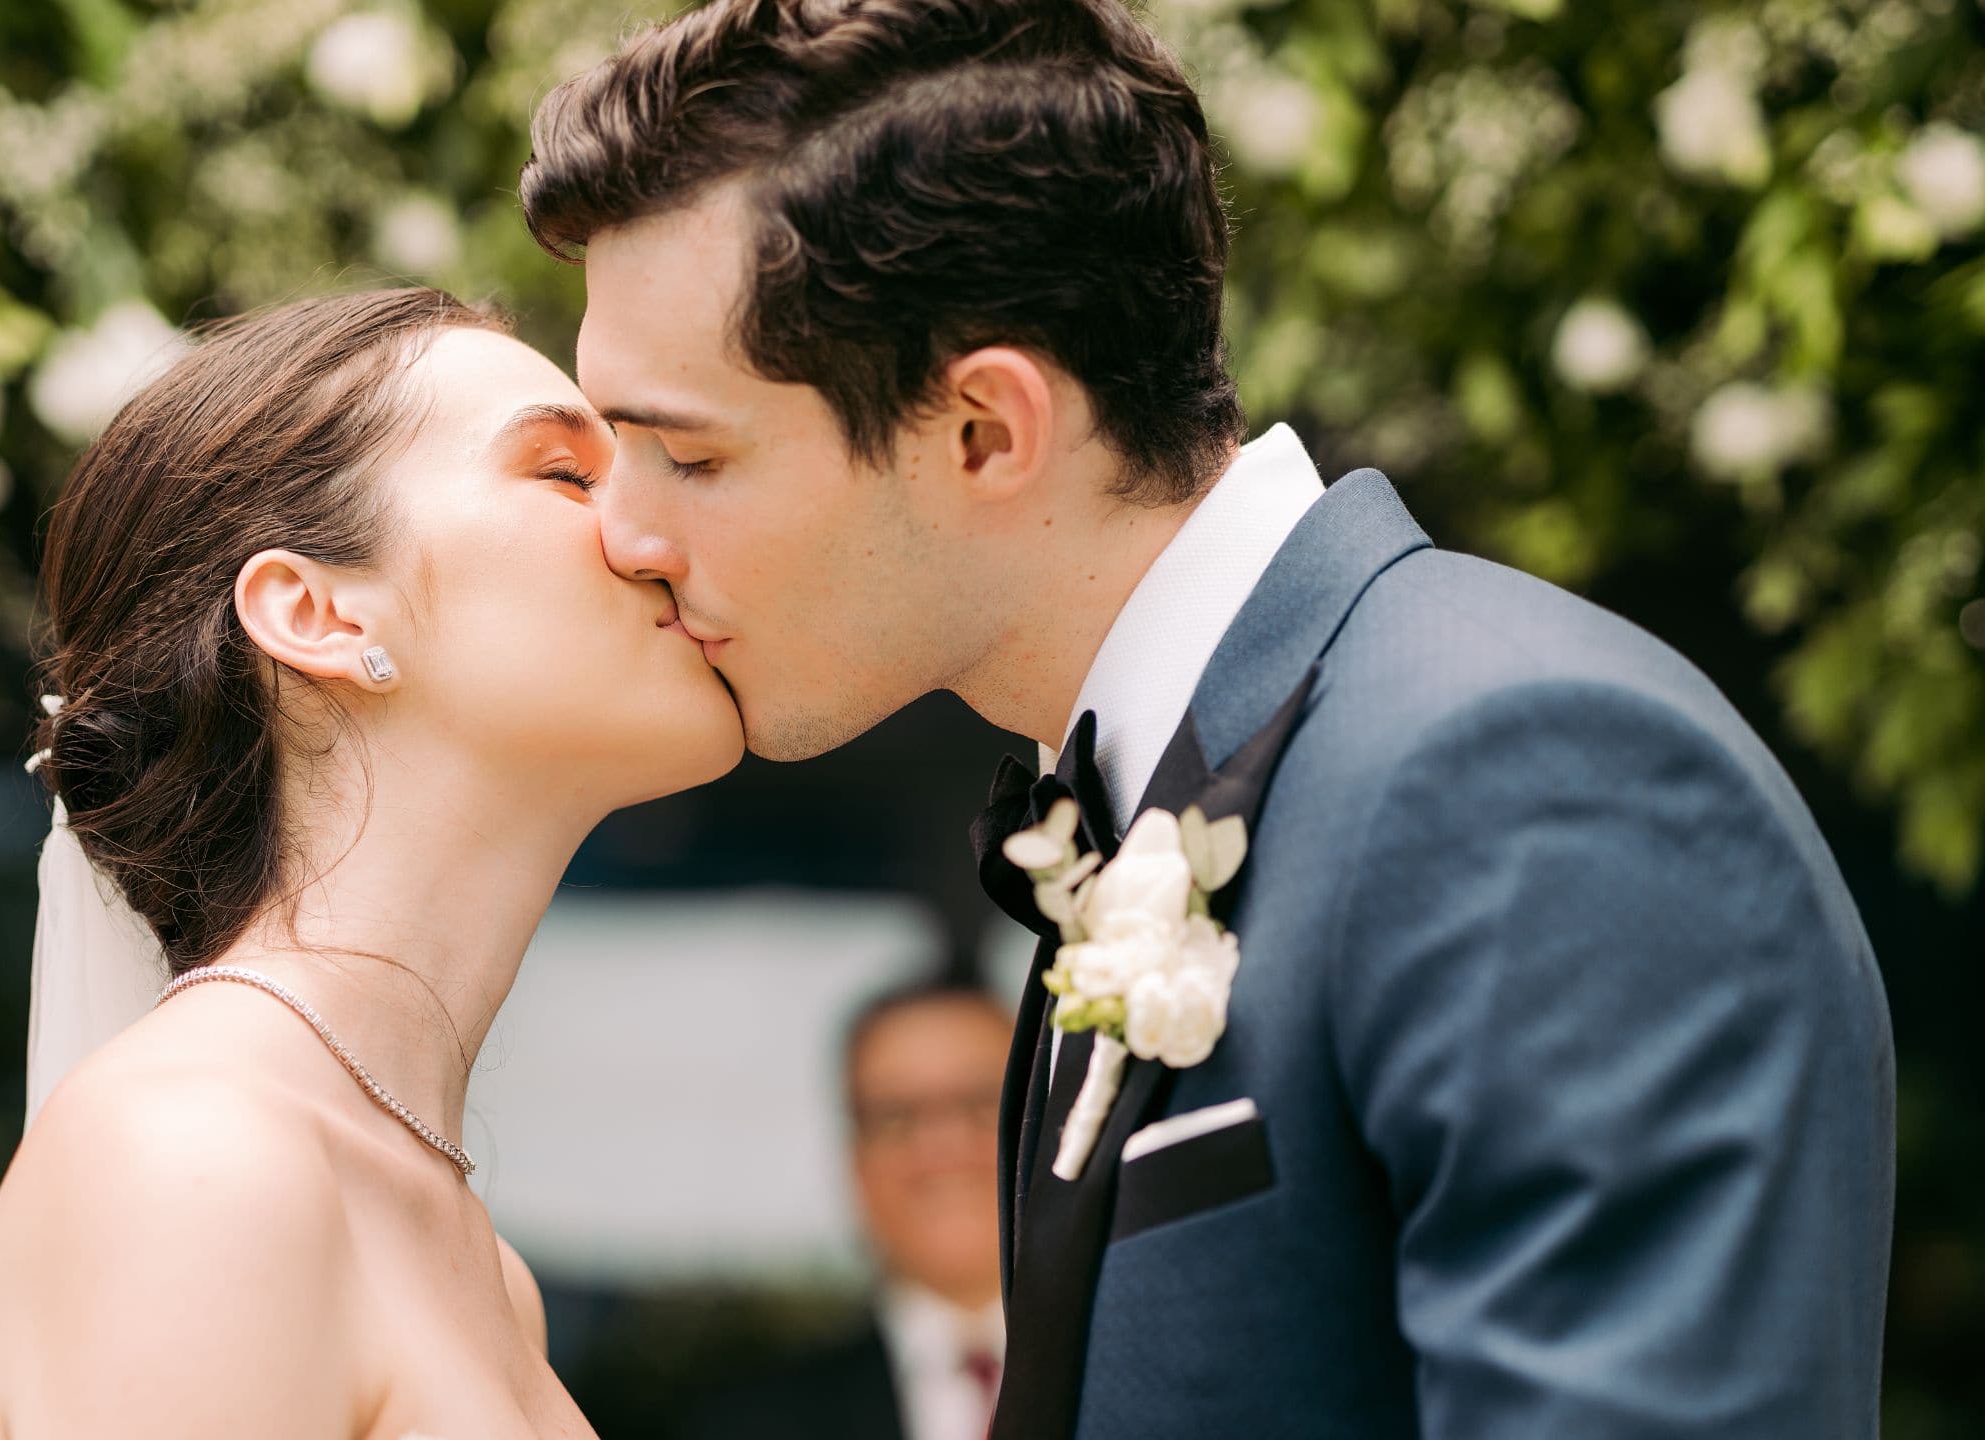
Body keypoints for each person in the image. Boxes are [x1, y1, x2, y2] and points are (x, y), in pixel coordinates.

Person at [520, 1, 1897, 1437]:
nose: (626, 533)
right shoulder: (1145, 800)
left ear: (986, 432)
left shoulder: (1532, 785)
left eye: (688, 454)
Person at [0, 288, 743, 1438]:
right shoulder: (198, 1162)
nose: (656, 532)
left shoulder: (487, 1274)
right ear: (315, 613)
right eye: (566, 474)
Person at [683, 983, 1010, 1440]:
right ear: (854, 1160)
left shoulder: (1117, 1376)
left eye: (982, 1105)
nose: (942, 1148)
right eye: (896, 1116)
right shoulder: (748, 1424)